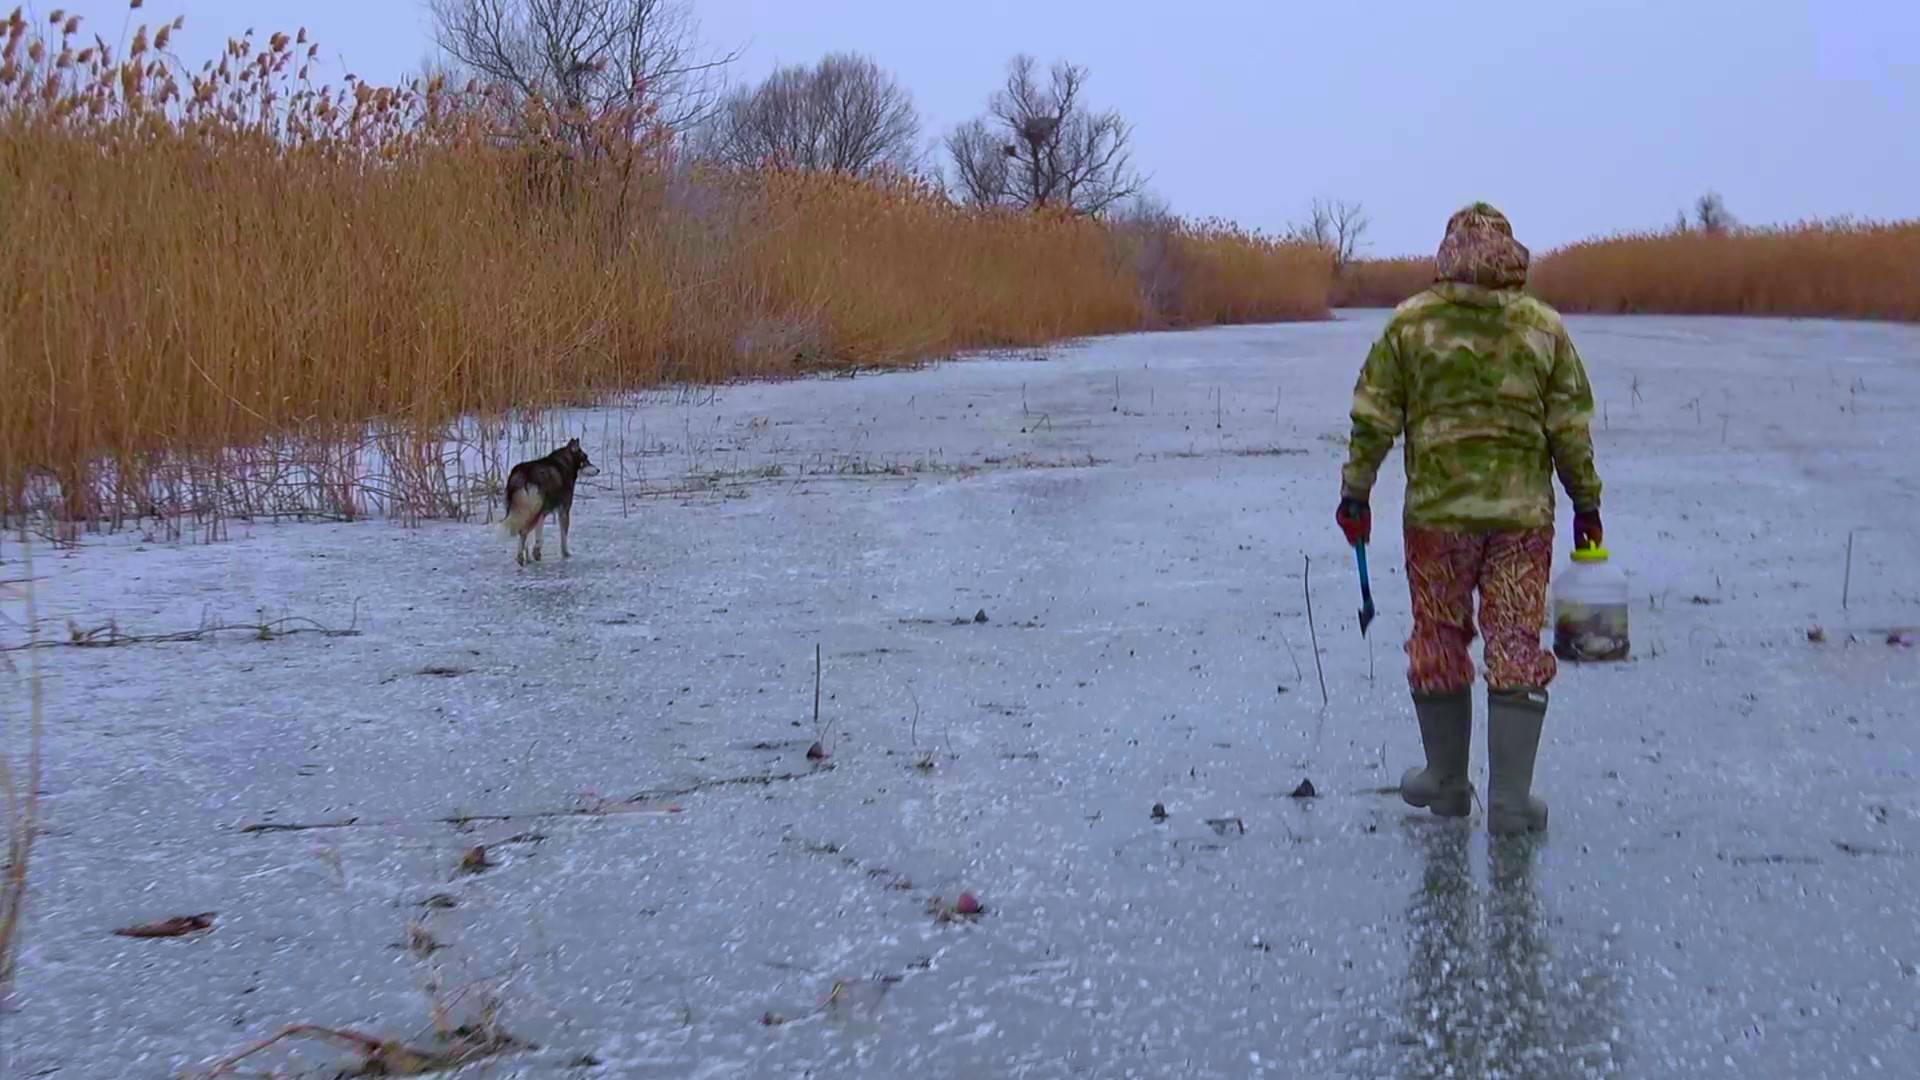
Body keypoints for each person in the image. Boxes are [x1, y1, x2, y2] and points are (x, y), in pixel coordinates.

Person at [1336, 203, 1604, 835]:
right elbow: (1570, 428)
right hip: (1521, 521)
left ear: (1448, 253)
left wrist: (1356, 492)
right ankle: (1510, 801)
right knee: (1515, 643)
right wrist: (1587, 504)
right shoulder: (1545, 328)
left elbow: (1373, 417)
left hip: (1437, 519)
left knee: (1439, 635)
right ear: (1510, 254)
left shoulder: (1410, 324)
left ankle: (1447, 783)